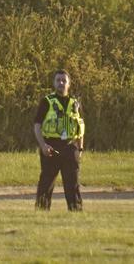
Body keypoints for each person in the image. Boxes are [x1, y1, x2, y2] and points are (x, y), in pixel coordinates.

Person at [32, 69, 86, 211]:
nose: (61, 83)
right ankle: (41, 213)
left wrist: (79, 149)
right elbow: (37, 125)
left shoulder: (75, 104)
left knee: (72, 184)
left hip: (69, 146)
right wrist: (43, 145)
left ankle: (76, 213)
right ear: (54, 83)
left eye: (64, 80)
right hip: (51, 146)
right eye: (58, 80)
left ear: (69, 84)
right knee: (46, 183)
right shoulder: (47, 102)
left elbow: (80, 127)